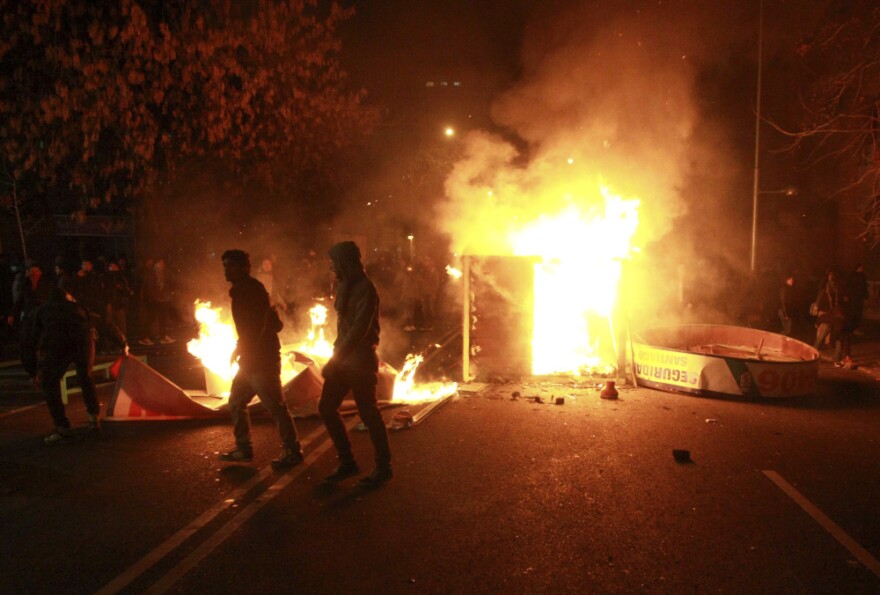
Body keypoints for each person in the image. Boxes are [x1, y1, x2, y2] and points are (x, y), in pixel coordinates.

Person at [217, 249, 303, 470]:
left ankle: (292, 450)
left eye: (230, 265)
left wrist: (243, 349)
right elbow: (264, 325)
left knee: (276, 406)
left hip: (261, 360)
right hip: (250, 359)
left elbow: (256, 327)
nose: (226, 269)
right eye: (224, 265)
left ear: (244, 267)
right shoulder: (243, 290)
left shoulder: (251, 291)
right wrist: (240, 350)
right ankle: (243, 449)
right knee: (236, 402)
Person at [319, 241, 392, 487]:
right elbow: (344, 328)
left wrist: (335, 359)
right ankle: (347, 462)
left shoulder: (365, 288)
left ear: (345, 262)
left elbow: (359, 330)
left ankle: (383, 467)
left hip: (360, 360)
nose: (331, 268)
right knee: (327, 407)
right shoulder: (345, 286)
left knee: (369, 413)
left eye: (334, 263)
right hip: (344, 359)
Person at [21, 280, 128, 445]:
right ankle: (93, 419)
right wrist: (123, 343)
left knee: (50, 382)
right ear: (67, 297)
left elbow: (29, 342)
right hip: (82, 343)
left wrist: (33, 372)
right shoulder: (78, 308)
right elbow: (104, 324)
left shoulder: (41, 311)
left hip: (57, 345)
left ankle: (62, 428)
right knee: (85, 377)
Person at [813, 270, 846, 360]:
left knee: (827, 330)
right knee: (828, 330)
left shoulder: (836, 291)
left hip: (831, 315)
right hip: (831, 314)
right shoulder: (827, 290)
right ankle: (836, 355)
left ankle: (814, 352)